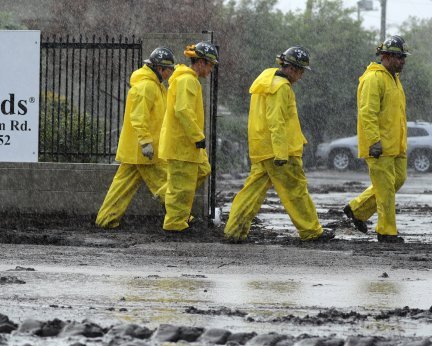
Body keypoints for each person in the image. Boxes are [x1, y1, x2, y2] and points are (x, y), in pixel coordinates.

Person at [224, 46, 334, 243]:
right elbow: (277, 121)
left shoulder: (264, 83)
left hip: (262, 148)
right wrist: (282, 153)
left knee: (251, 192)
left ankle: (233, 230)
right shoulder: (281, 87)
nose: (301, 76)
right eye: (300, 71)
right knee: (296, 190)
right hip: (280, 152)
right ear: (293, 69)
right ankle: (311, 231)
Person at [95, 47, 176, 229]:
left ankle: (105, 220)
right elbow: (139, 117)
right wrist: (146, 142)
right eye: (169, 69)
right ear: (160, 68)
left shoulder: (153, 86)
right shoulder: (147, 86)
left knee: (121, 188)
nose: (171, 73)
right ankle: (180, 217)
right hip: (146, 150)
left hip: (137, 150)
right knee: (167, 183)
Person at [343, 35, 409, 244]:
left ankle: (356, 209)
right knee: (386, 190)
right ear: (385, 56)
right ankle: (386, 232)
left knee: (398, 180)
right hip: (379, 147)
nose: (402, 61)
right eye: (399, 57)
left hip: (396, 145)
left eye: (403, 57)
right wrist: (374, 141)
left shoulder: (394, 79)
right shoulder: (373, 78)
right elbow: (367, 113)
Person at [158, 41, 218, 233]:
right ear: (200, 62)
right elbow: (183, 110)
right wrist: (197, 136)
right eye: (210, 64)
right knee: (181, 187)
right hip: (182, 144)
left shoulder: (188, 79)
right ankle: (174, 225)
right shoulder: (187, 80)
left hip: (186, 144)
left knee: (202, 170)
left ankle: (165, 194)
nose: (211, 69)